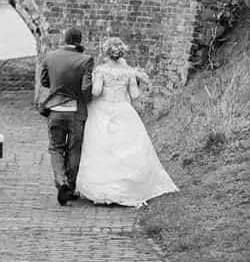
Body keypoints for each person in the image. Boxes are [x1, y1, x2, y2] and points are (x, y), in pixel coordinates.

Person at [75, 37, 178, 207]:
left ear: (106, 52)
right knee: (126, 146)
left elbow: (96, 91)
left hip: (103, 110)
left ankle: (102, 189)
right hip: (123, 110)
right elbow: (135, 95)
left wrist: (92, 83)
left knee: (102, 148)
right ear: (120, 52)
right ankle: (126, 187)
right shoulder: (129, 71)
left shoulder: (101, 70)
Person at [39, 27, 94, 206]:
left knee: (56, 148)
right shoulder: (86, 60)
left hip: (55, 110)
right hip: (76, 112)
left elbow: (45, 82)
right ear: (80, 40)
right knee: (74, 149)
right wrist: (88, 101)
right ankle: (69, 188)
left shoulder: (50, 56)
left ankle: (61, 181)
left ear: (64, 39)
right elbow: (86, 88)